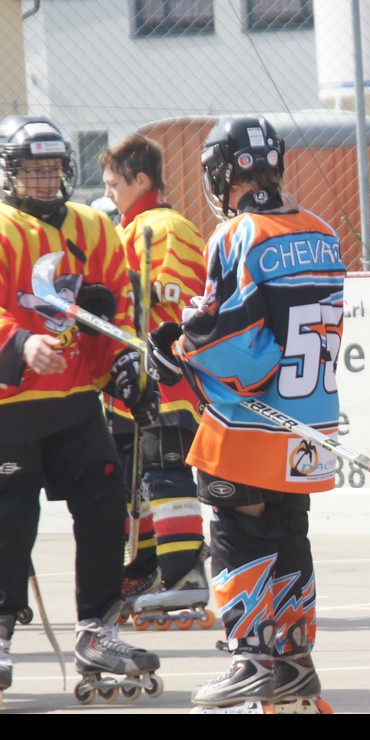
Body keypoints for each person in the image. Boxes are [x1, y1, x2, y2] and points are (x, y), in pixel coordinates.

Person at [146, 115, 345, 713]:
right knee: (288, 528)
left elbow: (235, 341)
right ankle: (293, 659)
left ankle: (253, 659)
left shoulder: (237, 234)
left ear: (220, 175)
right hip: (310, 419)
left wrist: (179, 346)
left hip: (253, 418)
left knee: (237, 524)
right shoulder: (323, 231)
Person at [0, 115, 162, 698]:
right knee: (10, 520)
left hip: (74, 401)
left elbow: (116, 306)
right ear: (9, 174)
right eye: (33, 171)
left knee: (103, 504)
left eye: (54, 169)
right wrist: (20, 342)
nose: (46, 181)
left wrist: (121, 363)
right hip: (11, 408)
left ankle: (98, 626)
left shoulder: (94, 226)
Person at [99, 133, 211, 627]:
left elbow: (187, 300)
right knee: (135, 483)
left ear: (141, 179)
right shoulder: (124, 228)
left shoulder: (169, 227)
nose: (108, 194)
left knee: (165, 472)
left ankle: (184, 574)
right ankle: (146, 569)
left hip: (167, 380)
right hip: (128, 388)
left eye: (114, 184)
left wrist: (132, 289)